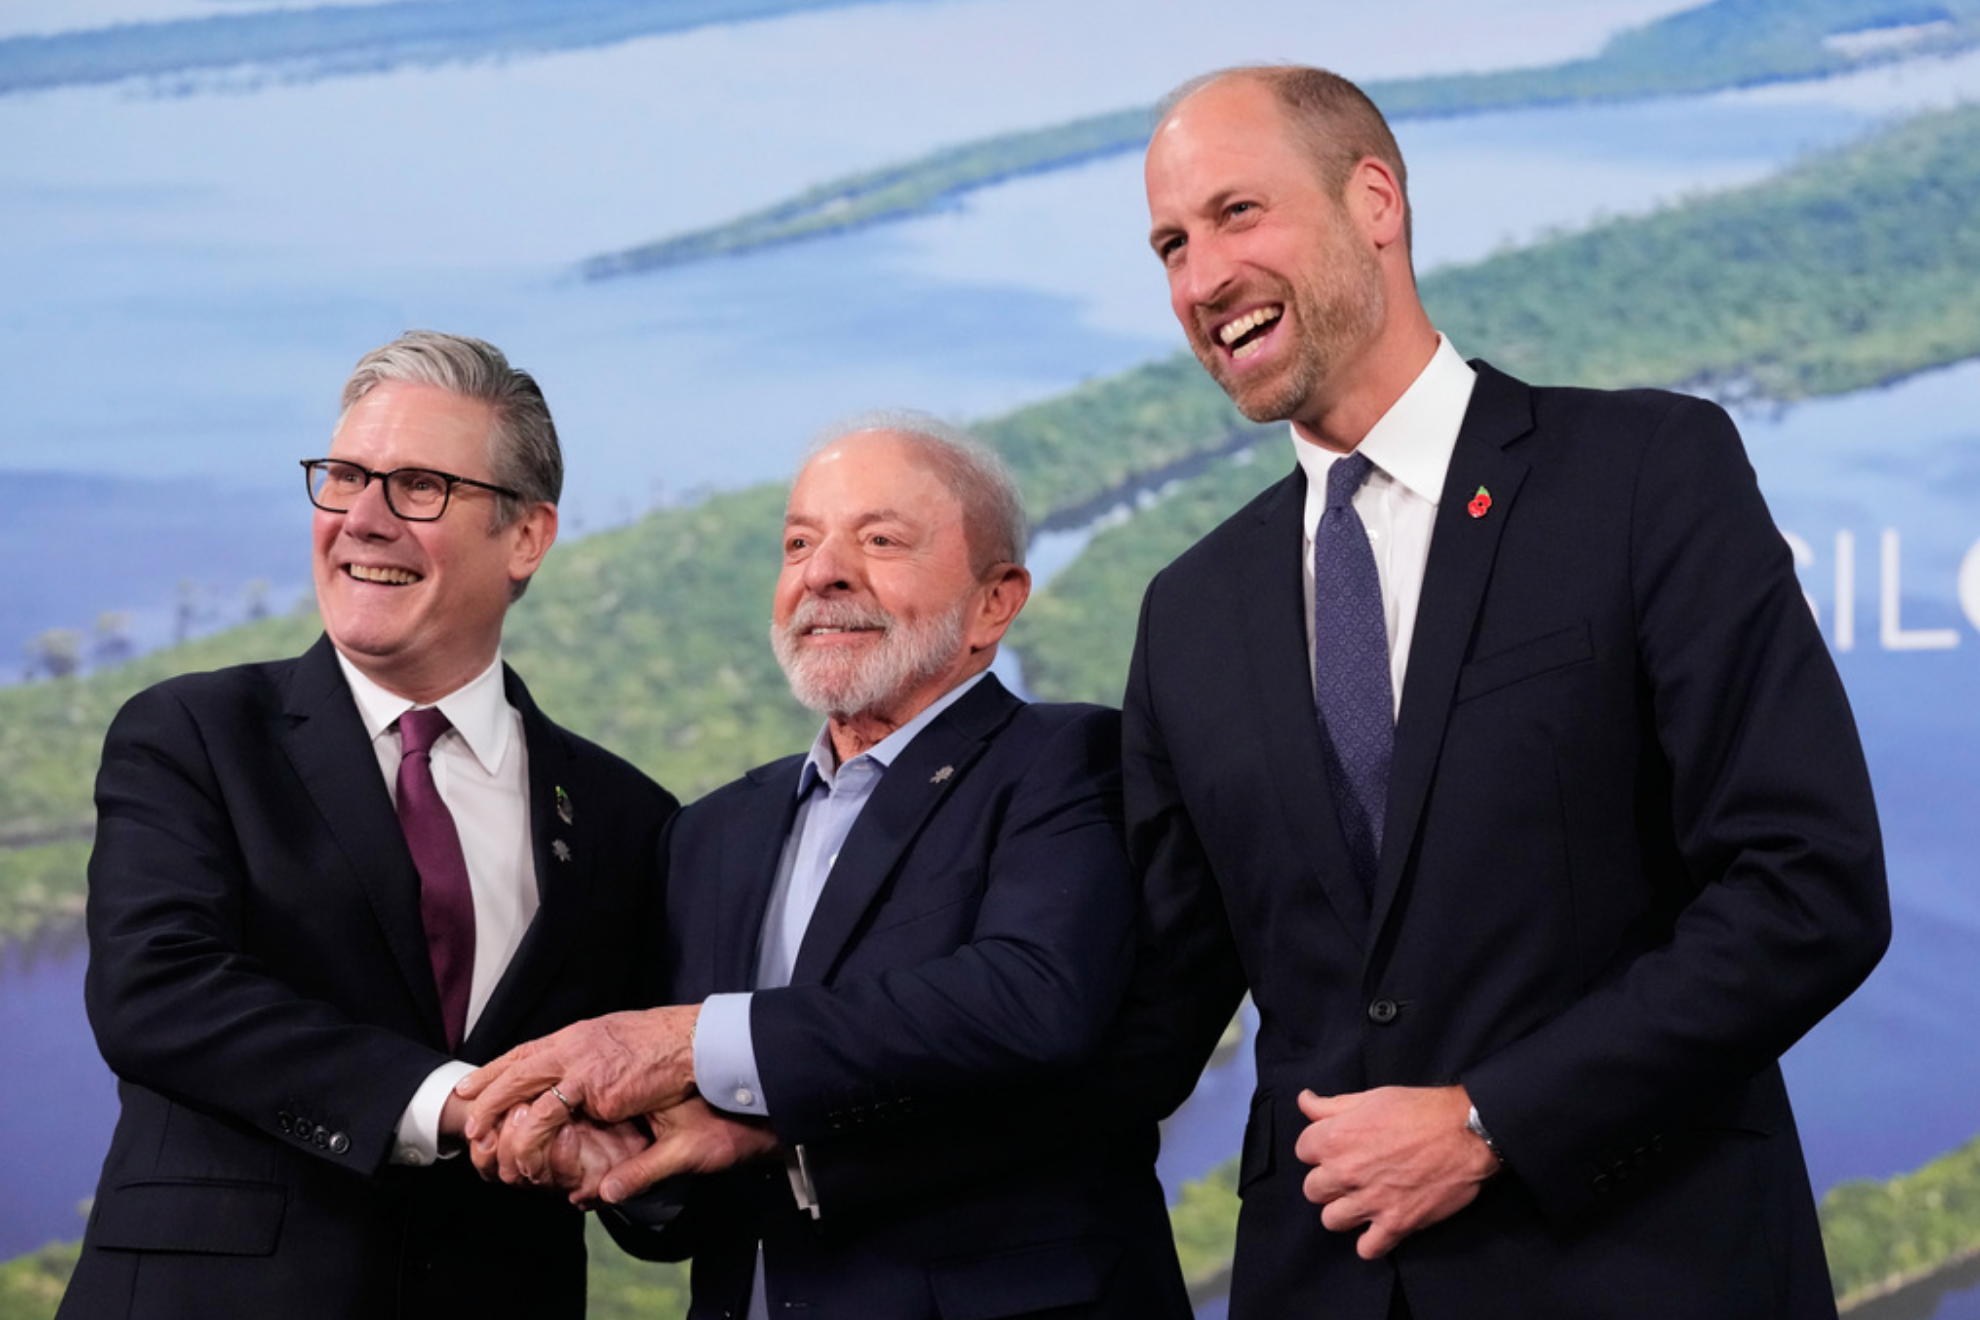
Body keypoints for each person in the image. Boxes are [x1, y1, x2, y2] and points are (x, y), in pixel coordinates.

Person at [1116, 65, 1891, 1319]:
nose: (1201, 281)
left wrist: (1490, 1120)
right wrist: (768, 1095)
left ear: (1375, 199)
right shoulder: (1187, 615)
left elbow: (1810, 887)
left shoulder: (1645, 474)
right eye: (1169, 245)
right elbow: (1137, 1027)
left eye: (1237, 215)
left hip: (1649, 1273)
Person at [457, 414, 1191, 1320]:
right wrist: (627, 1168)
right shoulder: (711, 833)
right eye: (798, 542)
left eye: (879, 540)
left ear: (995, 601)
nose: (823, 571)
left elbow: (1032, 1001)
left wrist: (692, 1043)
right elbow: (689, 1195)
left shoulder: (1070, 760)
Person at [59, 331, 678, 1320]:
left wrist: (664, 1165)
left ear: (527, 535)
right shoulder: (195, 735)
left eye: (419, 486)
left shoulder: (624, 817)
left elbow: (650, 1126)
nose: (364, 519)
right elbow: (157, 993)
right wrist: (456, 1103)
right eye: (344, 477)